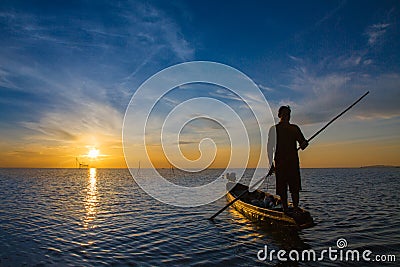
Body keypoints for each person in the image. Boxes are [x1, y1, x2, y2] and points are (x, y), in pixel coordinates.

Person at [267, 106, 308, 212]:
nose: (286, 117)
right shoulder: (274, 129)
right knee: (282, 189)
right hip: (280, 165)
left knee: (295, 189)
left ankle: (295, 208)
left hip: (293, 164)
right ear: (279, 115)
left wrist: (305, 143)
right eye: (284, 114)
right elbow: (269, 148)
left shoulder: (294, 128)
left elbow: (302, 145)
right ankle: (285, 209)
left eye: (288, 115)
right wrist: (271, 165)